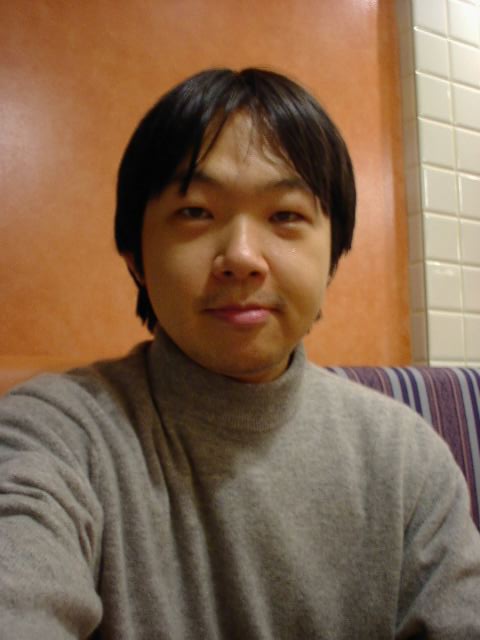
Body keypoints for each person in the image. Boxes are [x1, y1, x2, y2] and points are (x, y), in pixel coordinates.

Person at [0, 68, 479, 640]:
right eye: (196, 212)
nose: (243, 258)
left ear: (332, 255)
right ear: (136, 258)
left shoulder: (408, 462)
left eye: (286, 215)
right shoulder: (54, 436)